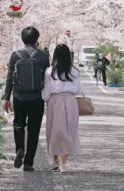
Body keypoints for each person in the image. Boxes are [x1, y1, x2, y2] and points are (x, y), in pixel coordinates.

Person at [3, 27, 50, 172]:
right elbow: (47, 78)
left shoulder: (15, 55)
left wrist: (6, 98)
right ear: (37, 39)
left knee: (18, 124)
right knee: (33, 129)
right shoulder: (43, 56)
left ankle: (20, 149)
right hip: (37, 97)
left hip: (19, 96)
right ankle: (28, 162)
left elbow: (10, 77)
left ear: (22, 39)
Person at [42, 44, 82, 173]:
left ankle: (55, 161)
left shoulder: (49, 71)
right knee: (69, 131)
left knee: (54, 131)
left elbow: (46, 92)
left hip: (54, 101)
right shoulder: (74, 71)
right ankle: (64, 163)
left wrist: (45, 99)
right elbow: (78, 90)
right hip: (70, 101)